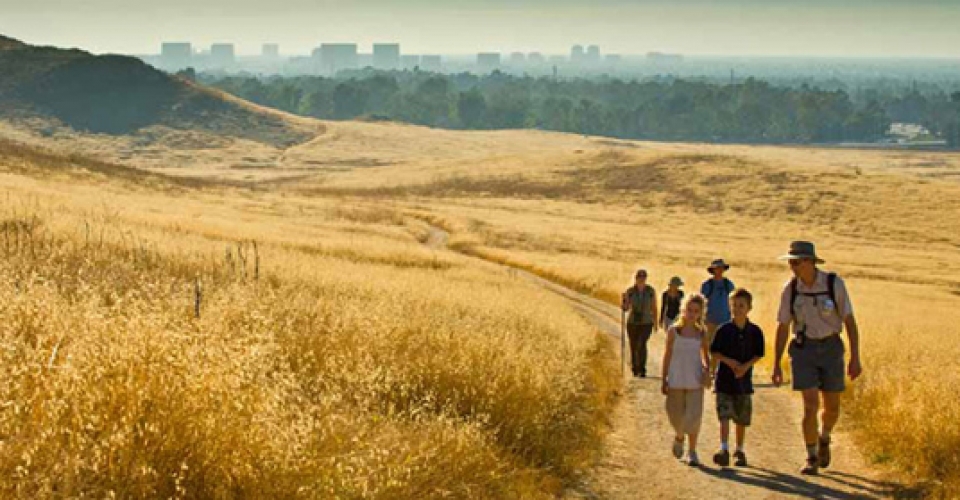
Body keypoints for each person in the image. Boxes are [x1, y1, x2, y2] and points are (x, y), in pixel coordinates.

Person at [771, 241, 863, 476]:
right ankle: (811, 456)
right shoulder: (790, 289)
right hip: (803, 350)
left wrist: (855, 357)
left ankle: (824, 437)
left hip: (832, 348)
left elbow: (849, 322)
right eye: (790, 261)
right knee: (810, 405)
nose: (792, 266)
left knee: (832, 408)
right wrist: (776, 363)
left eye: (797, 261)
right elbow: (782, 326)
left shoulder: (833, 284)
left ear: (811, 262)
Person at [710, 288, 765, 468]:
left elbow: (759, 353)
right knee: (724, 415)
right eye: (734, 305)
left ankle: (739, 450)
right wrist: (730, 362)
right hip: (725, 379)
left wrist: (746, 366)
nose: (737, 309)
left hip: (744, 382)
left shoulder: (755, 331)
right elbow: (715, 352)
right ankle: (723, 448)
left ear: (749, 308)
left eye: (741, 305)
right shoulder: (723, 330)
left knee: (741, 418)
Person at [662, 294, 711, 466]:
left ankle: (692, 451)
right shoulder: (673, 331)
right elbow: (667, 354)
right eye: (689, 310)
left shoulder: (701, 333)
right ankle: (679, 436)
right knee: (674, 414)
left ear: (700, 313)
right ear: (683, 310)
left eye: (696, 311)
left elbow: (706, 356)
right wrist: (664, 378)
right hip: (676, 379)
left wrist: (707, 370)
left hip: (695, 381)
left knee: (694, 417)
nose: (692, 314)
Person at [621, 269, 659, 377]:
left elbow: (654, 307)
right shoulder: (630, 291)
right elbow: (626, 308)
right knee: (633, 345)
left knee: (641, 344)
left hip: (646, 322)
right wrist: (624, 302)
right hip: (633, 322)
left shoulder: (650, 291)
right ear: (636, 278)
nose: (641, 280)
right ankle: (634, 368)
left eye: (643, 277)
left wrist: (655, 323)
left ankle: (642, 369)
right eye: (639, 277)